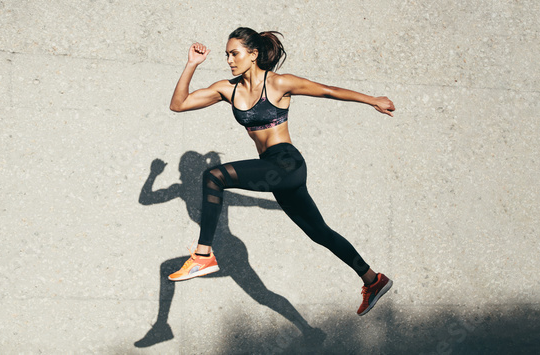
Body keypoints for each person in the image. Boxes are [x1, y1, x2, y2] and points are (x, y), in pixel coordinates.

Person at [167, 27, 396, 316]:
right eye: (226, 54)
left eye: (234, 53)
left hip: (287, 164)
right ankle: (373, 280)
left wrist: (372, 99)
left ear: (253, 54)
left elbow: (328, 91)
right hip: (272, 172)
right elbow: (178, 105)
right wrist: (191, 65)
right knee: (319, 232)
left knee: (214, 176)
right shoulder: (227, 89)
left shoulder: (279, 83)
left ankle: (202, 255)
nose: (229, 60)